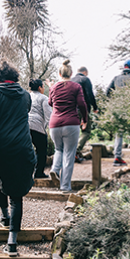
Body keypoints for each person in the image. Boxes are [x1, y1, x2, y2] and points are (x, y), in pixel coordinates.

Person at [0, 58, 36, 257]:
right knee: (16, 196)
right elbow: (26, 111)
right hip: (23, 147)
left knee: (0, 178)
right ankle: (11, 237)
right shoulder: (25, 95)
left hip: (2, 149)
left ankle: (7, 224)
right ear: (14, 76)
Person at [48, 59, 88, 193]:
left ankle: (54, 169)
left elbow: (50, 103)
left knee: (58, 150)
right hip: (71, 123)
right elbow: (82, 104)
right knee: (69, 154)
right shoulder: (76, 87)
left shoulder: (53, 88)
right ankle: (65, 187)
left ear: (60, 74)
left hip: (54, 124)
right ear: (71, 73)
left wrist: (51, 89)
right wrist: (85, 119)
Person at [106, 59, 130, 165]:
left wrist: (114, 101)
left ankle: (117, 157)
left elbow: (107, 92)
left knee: (119, 132)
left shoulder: (116, 78)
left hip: (119, 108)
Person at [71, 66, 97, 162]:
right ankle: (76, 151)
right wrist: (95, 107)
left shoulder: (71, 80)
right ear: (85, 72)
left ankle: (72, 153)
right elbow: (89, 94)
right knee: (86, 131)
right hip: (82, 109)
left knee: (74, 131)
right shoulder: (85, 79)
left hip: (71, 110)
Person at [28, 78, 52, 179]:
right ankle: (39, 173)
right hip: (37, 127)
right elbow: (48, 115)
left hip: (25, 126)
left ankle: (27, 173)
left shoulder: (27, 96)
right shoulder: (43, 98)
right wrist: (47, 128)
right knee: (41, 150)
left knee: (26, 150)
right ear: (39, 87)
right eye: (43, 86)